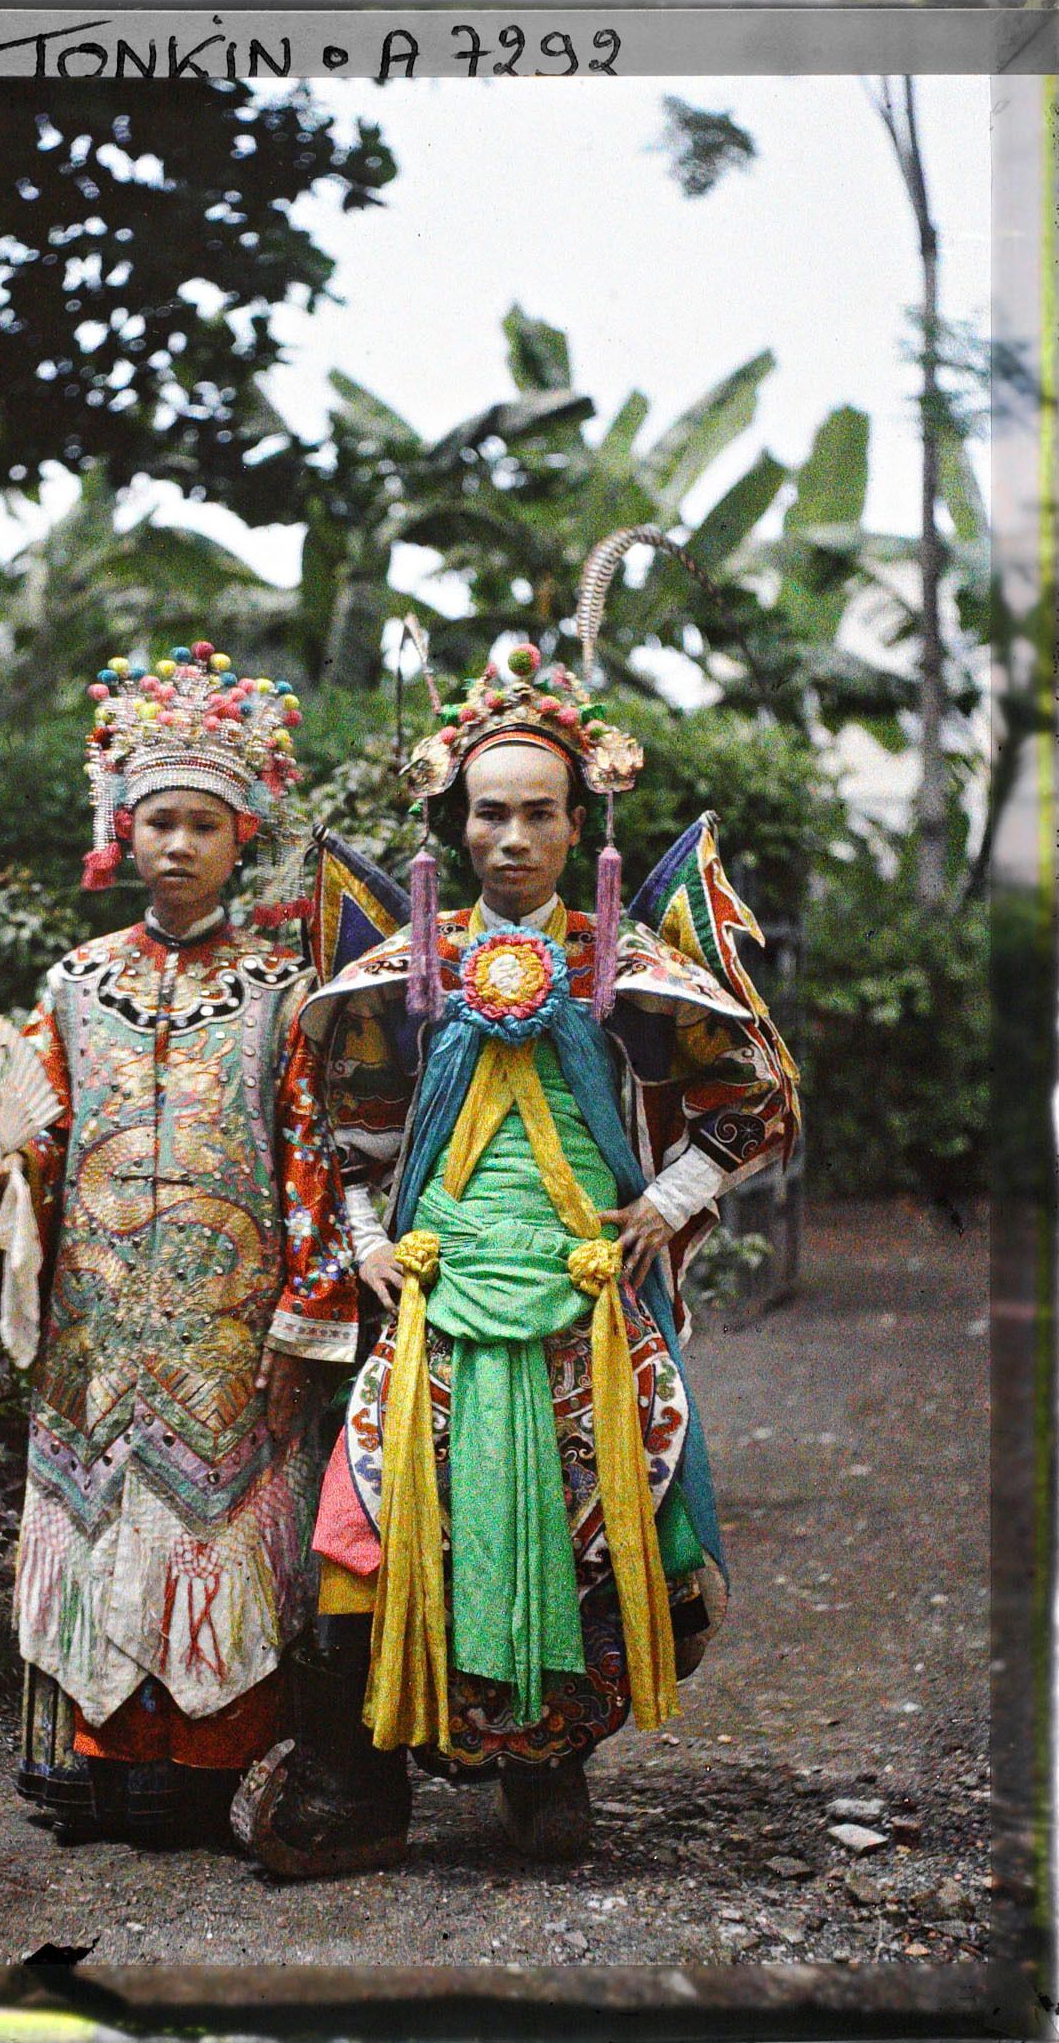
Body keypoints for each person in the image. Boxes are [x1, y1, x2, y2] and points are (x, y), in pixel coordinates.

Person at [237, 642, 798, 1877]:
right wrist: (372, 1240)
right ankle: (353, 1778)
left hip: (582, 1303)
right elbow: (352, 1128)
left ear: (580, 821)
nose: (512, 836)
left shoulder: (632, 965)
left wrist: (669, 1197)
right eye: (489, 811)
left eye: (539, 811)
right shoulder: (399, 972)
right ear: (454, 820)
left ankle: (548, 1774)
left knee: (594, 1527)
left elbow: (745, 1096)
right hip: (436, 1296)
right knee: (367, 1523)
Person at [0, 641, 358, 1846]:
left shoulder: (287, 991)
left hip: (234, 1331)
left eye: (202, 824)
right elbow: (43, 1125)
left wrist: (306, 1314)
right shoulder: (74, 982)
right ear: (121, 834)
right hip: (94, 1320)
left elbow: (315, 1159)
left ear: (243, 840)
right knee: (97, 1526)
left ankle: (207, 1769)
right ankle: (99, 1763)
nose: (176, 845)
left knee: (217, 1531)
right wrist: (2, 1164)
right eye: (156, 821)